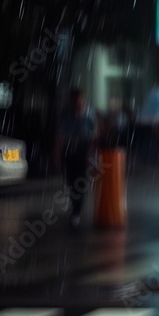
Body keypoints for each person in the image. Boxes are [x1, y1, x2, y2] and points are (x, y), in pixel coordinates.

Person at [58, 89, 97, 228]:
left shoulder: (88, 114)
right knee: (70, 181)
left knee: (81, 182)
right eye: (75, 100)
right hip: (69, 151)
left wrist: (91, 154)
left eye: (80, 100)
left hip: (83, 151)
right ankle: (74, 205)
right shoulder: (66, 114)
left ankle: (77, 210)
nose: (78, 103)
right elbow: (60, 135)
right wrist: (57, 154)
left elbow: (93, 136)